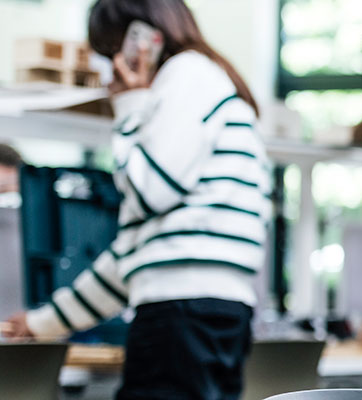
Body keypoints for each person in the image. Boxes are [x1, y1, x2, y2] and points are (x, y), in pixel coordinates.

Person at [0, 0, 272, 398]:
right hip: (209, 313)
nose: (111, 70)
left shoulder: (186, 76)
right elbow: (133, 259)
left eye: (111, 51)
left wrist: (129, 107)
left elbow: (149, 192)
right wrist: (42, 324)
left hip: (181, 317)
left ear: (142, 39)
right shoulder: (204, 85)